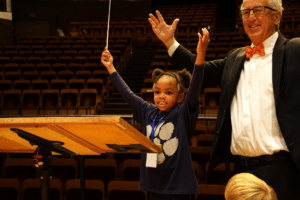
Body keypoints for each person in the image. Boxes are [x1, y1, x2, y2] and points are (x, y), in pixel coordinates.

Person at [148, 0, 300, 199]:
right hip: (241, 170)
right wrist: (170, 43)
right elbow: (199, 66)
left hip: (284, 170)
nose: (251, 17)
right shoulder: (235, 57)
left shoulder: (295, 50)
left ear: (276, 16)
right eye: (245, 12)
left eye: (258, 10)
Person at [101, 29, 209, 200]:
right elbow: (127, 94)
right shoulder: (147, 111)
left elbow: (195, 88)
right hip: (155, 184)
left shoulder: (183, 113)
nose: (161, 97)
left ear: (180, 97)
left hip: (179, 187)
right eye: (157, 92)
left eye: (168, 92)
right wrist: (110, 67)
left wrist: (200, 56)